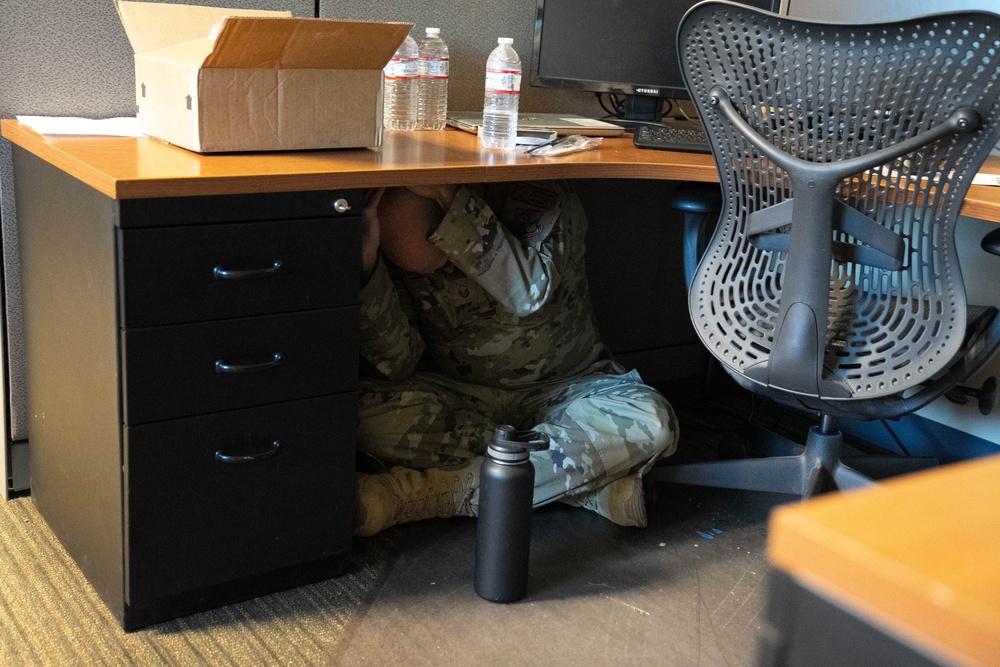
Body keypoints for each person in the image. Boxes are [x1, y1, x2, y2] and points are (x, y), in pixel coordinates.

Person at [354, 180, 678, 536]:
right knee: (356, 417)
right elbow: (397, 362)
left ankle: (438, 494)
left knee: (652, 421)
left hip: (569, 390)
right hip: (466, 400)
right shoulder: (397, 251)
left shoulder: (537, 193)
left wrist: (454, 201)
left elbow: (528, 292)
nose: (426, 274)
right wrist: (367, 261)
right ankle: (577, 485)